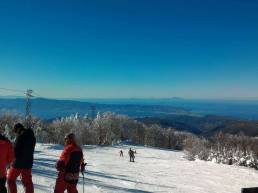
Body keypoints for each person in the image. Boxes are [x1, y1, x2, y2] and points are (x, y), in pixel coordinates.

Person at [7, 123, 36, 193]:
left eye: (15, 131)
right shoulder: (32, 137)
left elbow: (15, 151)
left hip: (17, 164)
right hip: (28, 164)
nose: (16, 133)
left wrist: (10, 161)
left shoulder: (20, 138)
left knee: (10, 180)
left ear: (19, 129)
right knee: (28, 183)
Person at [0, 129, 15, 193]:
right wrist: (4, 162)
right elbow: (11, 158)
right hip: (2, 173)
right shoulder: (7, 143)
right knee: (2, 189)